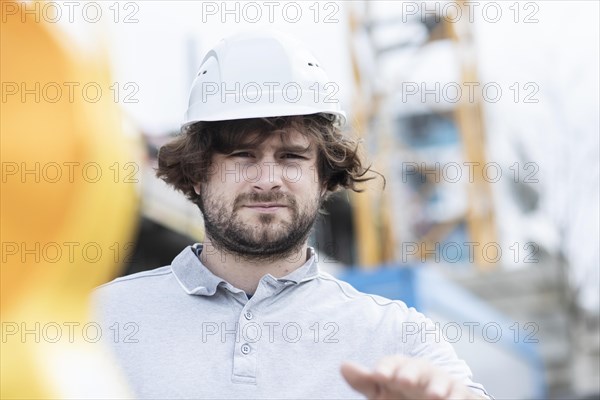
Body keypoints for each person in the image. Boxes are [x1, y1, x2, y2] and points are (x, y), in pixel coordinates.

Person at [93, 30, 491, 399]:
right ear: (198, 173)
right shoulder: (98, 320)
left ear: (323, 177)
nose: (267, 181)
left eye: (291, 157)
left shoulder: (395, 335)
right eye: (242, 155)